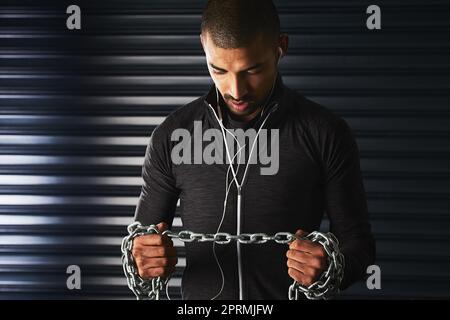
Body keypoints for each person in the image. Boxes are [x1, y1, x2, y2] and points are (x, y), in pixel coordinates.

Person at [129, 0, 375, 300]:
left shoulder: (325, 132)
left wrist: (330, 267)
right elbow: (138, 245)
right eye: (218, 69)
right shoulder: (171, 136)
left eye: (253, 69)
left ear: (280, 48)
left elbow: (359, 245)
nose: (236, 90)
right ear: (203, 47)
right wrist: (142, 259)